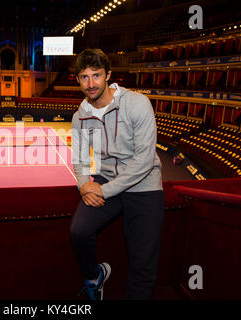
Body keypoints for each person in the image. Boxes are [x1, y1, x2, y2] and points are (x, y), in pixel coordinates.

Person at [70, 48, 164, 300]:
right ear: (78, 80)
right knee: (79, 232)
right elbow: (80, 160)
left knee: (142, 262)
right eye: (84, 77)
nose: (91, 83)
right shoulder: (80, 117)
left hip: (143, 185)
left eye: (97, 75)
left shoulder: (137, 103)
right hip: (105, 181)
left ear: (109, 75)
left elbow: (144, 160)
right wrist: (83, 185)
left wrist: (103, 190)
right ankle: (95, 277)